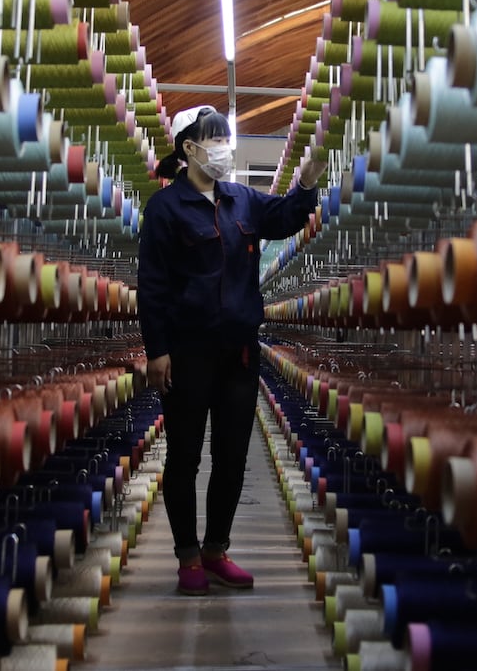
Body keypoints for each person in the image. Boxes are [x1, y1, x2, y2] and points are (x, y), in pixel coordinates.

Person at [137, 105, 326, 596]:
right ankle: (186, 558)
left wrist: (305, 187)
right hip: (187, 351)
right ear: (189, 148)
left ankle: (216, 550)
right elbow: (152, 286)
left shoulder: (242, 201)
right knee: (184, 458)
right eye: (214, 138)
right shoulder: (165, 209)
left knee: (232, 456)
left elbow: (284, 219)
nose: (223, 146)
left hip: (239, 353)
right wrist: (156, 351)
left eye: (225, 137)